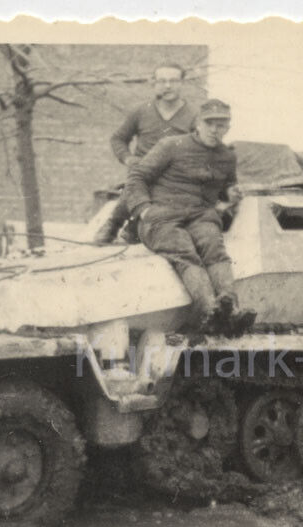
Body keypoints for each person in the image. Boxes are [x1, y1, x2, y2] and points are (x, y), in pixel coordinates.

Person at [124, 98, 255, 335]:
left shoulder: (227, 156)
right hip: (163, 215)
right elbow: (137, 178)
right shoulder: (170, 145)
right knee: (184, 251)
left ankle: (231, 309)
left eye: (222, 125)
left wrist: (231, 192)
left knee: (214, 248)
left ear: (228, 127)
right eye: (210, 124)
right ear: (198, 123)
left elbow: (227, 185)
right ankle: (209, 311)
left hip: (201, 215)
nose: (215, 130)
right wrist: (144, 210)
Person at [93, 63, 198, 243]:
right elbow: (118, 138)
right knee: (136, 183)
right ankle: (113, 224)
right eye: (162, 81)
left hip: (174, 176)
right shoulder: (141, 111)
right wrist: (128, 158)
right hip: (143, 171)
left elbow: (201, 148)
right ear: (154, 84)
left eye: (173, 80)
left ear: (182, 83)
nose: (167, 86)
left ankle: (134, 229)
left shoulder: (194, 115)